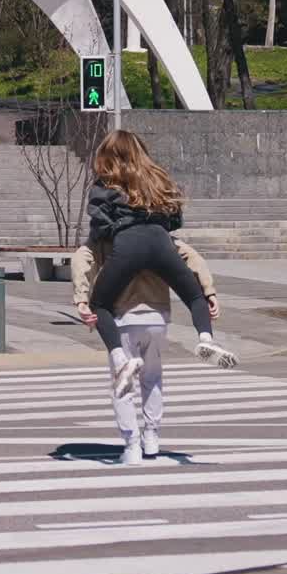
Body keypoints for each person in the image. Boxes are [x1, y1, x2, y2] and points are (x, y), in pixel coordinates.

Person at [84, 129, 237, 397]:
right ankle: (205, 338)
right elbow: (176, 219)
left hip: (128, 244)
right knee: (194, 296)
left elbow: (99, 224)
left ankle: (122, 360)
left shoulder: (104, 185)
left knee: (100, 305)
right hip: (160, 241)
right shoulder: (157, 178)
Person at [72, 228, 219, 464]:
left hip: (121, 318)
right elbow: (193, 258)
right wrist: (208, 291)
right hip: (156, 316)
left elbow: (81, 258)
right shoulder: (157, 233)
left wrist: (81, 297)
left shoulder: (107, 234)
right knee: (152, 378)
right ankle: (151, 437)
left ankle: (131, 446)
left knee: (123, 383)